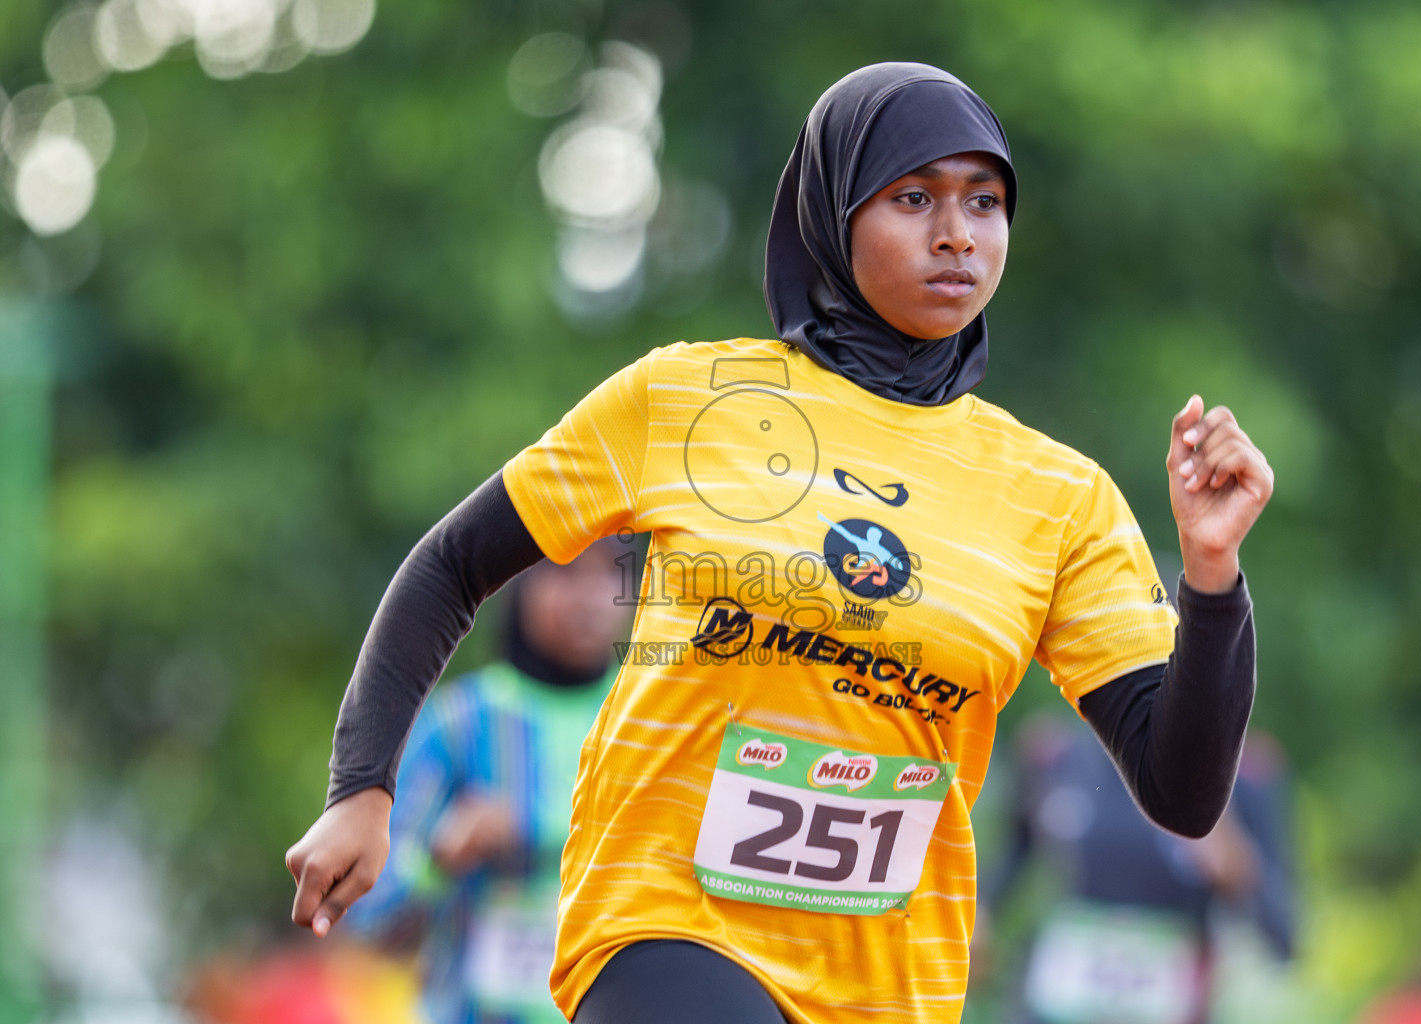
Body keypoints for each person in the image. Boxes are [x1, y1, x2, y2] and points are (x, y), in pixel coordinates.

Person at [285, 62, 1274, 1024]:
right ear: (833, 213)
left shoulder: (1060, 498)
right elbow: (452, 564)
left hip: (888, 977)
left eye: (984, 203)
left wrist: (1213, 577)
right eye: (912, 198)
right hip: (665, 917)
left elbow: (1181, 791)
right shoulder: (687, 398)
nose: (955, 236)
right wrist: (362, 788)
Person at [340, 539, 629, 1024]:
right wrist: (440, 858)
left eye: (608, 574)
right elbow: (369, 925)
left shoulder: (650, 722)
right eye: (568, 573)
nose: (590, 596)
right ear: (518, 582)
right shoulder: (458, 726)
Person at [986, 717, 1294, 1024]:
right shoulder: (1056, 758)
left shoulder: (1237, 773)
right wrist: (975, 919)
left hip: (1174, 1009)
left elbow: (1284, 936)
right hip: (1053, 1008)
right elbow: (1003, 873)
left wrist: (1237, 868)